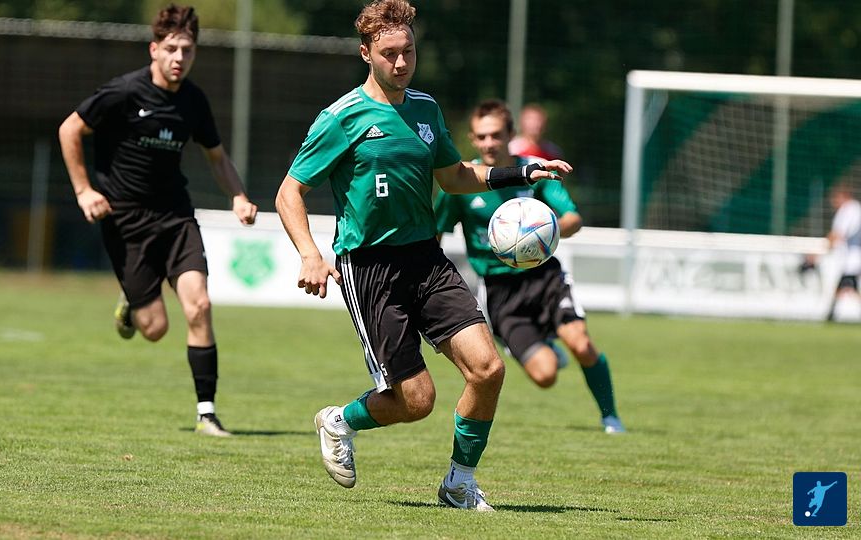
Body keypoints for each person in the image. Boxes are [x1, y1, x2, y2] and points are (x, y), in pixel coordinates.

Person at [274, 0, 571, 512]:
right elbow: (288, 193)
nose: (401, 62)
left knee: (488, 369)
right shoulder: (340, 118)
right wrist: (310, 255)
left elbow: (454, 176)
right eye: (389, 53)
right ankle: (340, 420)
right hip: (370, 268)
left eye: (408, 51)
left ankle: (459, 483)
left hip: (427, 259)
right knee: (416, 401)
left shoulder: (425, 109)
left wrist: (521, 172)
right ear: (365, 53)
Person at [58, 4, 257, 437]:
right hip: (126, 222)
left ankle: (207, 413)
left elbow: (216, 157)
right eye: (171, 49)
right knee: (154, 329)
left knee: (199, 305)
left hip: (175, 217)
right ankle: (132, 305)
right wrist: (84, 191)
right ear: (154, 49)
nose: (179, 58)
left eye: (187, 50)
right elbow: (69, 129)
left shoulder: (194, 101)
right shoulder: (124, 92)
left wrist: (238, 196)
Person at [435, 99, 624, 434]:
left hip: (544, 276)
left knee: (581, 344)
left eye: (496, 135)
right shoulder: (462, 182)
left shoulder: (535, 171)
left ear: (511, 134)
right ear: (473, 139)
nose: (489, 143)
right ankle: (537, 343)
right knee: (545, 375)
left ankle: (611, 418)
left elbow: (573, 218)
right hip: (501, 292)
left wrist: (543, 232)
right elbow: (435, 233)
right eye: (481, 137)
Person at [824, 184, 861, 321]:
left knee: (847, 284)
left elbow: (838, 233)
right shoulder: (855, 208)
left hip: (852, 258)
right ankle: (831, 313)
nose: (833, 203)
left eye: (835, 199)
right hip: (852, 257)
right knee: (848, 285)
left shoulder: (848, 210)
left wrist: (825, 247)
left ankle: (831, 313)